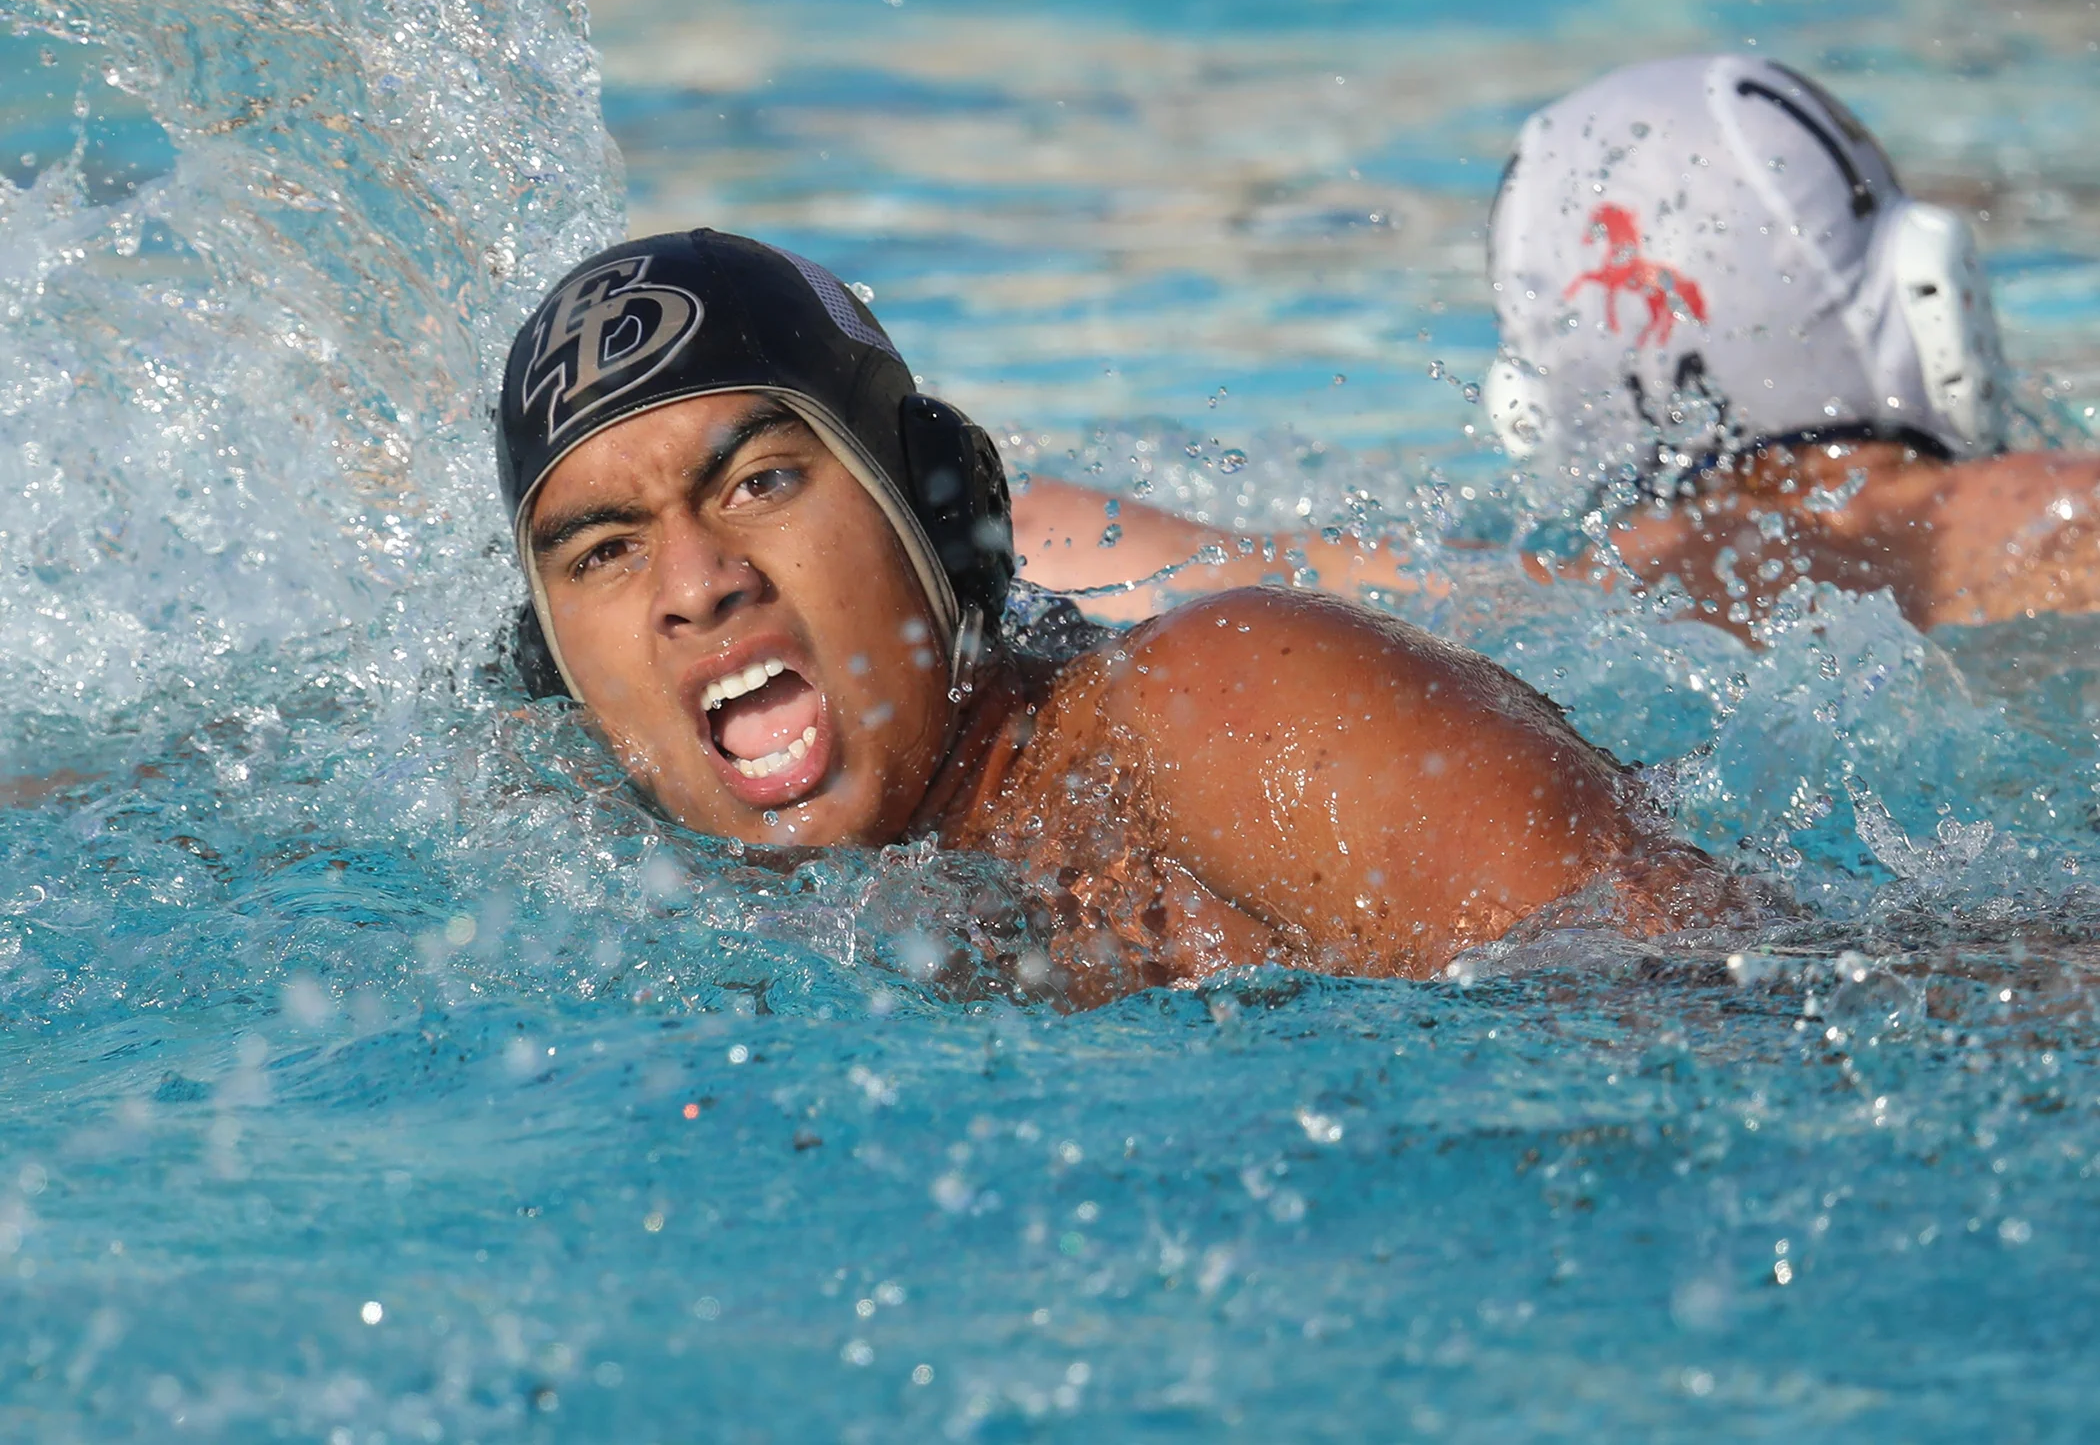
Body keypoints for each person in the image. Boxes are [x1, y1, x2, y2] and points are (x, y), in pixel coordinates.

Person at [496, 230, 1741, 1003]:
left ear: (937, 513)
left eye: (763, 481)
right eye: (604, 551)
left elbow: (1729, 1006)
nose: (696, 583)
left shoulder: (1227, 711)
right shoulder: (612, 902)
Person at [1012, 55, 2100, 636]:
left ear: (1529, 405)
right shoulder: (2058, 522)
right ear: (1933, 297)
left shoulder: (1535, 596)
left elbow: (1039, 534)